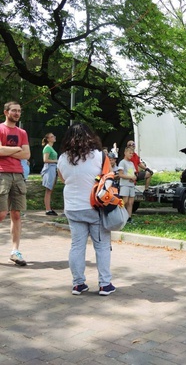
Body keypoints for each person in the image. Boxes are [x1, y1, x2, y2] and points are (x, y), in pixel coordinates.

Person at [57, 123, 116, 296]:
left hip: (72, 207)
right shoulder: (99, 156)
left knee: (76, 246)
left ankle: (78, 284)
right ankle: (105, 284)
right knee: (102, 246)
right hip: (94, 206)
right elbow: (109, 176)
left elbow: (62, 179)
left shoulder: (62, 158)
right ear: (90, 136)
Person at [0, 101, 31, 266]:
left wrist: (8, 150)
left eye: (19, 111)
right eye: (13, 110)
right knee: (1, 213)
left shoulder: (22, 132)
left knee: (16, 214)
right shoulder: (0, 129)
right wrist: (17, 149)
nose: (17, 113)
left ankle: (15, 251)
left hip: (18, 175)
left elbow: (27, 155)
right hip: (2, 173)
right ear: (6, 112)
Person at [117, 147, 137, 223]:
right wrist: (130, 177)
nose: (131, 155)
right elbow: (120, 175)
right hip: (124, 184)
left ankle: (129, 217)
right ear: (125, 153)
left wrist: (134, 177)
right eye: (130, 153)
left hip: (131, 185)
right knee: (124, 200)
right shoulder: (122, 162)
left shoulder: (131, 163)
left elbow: (133, 173)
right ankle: (118, 214)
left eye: (132, 154)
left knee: (131, 202)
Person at [41, 132, 58, 216]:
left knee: (50, 190)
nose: (54, 137)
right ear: (48, 139)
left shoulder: (51, 148)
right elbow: (45, 160)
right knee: (48, 190)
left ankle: (49, 208)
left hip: (53, 168)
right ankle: (48, 209)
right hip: (49, 169)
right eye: (52, 136)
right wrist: (57, 161)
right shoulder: (47, 148)